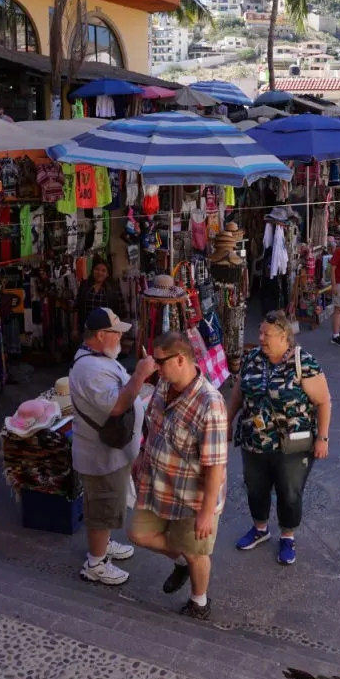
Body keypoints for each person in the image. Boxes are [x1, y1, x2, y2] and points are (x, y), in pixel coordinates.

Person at [128, 333, 228, 621]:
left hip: (190, 496)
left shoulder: (210, 404)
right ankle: (183, 559)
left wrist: (206, 512)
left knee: (198, 552)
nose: (154, 367)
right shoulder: (164, 383)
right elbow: (152, 425)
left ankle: (199, 602)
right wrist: (142, 453)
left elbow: (215, 465)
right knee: (138, 533)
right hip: (157, 483)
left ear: (180, 359)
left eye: (159, 361)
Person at [227, 311, 332, 566]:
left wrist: (323, 438)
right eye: (260, 333)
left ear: (284, 336)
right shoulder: (253, 357)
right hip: (254, 440)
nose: (261, 338)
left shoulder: (303, 362)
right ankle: (260, 529)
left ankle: (287, 536)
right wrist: (228, 422)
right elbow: (239, 392)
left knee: (289, 492)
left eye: (267, 334)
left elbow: (323, 401)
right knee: (255, 487)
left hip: (292, 445)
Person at [69, 308, 158, 585]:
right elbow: (117, 406)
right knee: (102, 506)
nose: (122, 337)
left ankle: (103, 545)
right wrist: (141, 374)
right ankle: (95, 563)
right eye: (116, 332)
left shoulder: (98, 359)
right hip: (100, 457)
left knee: (108, 503)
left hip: (110, 453)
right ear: (100, 335)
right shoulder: (90, 369)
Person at [72, 257, 121, 344]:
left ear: (107, 274)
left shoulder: (113, 288)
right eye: (97, 269)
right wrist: (75, 329)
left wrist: (118, 331)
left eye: (103, 270)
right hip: (86, 330)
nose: (99, 273)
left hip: (106, 331)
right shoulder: (84, 285)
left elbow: (119, 311)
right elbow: (76, 308)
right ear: (92, 270)